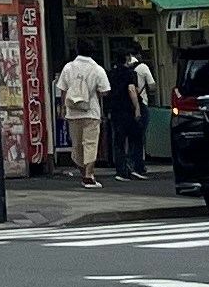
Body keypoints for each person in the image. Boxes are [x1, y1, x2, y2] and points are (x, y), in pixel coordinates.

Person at [52, 43, 112, 187]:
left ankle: (83, 172)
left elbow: (63, 89)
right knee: (90, 144)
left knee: (77, 145)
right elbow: (105, 91)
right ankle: (89, 174)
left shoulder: (68, 67)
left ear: (77, 51)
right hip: (91, 111)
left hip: (73, 112)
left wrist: (63, 107)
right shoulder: (97, 69)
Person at [112, 49, 154, 179]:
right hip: (129, 110)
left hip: (116, 111)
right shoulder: (130, 73)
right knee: (136, 138)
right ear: (127, 58)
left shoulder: (112, 74)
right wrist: (137, 108)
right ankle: (136, 167)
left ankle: (121, 170)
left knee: (119, 141)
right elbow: (132, 90)